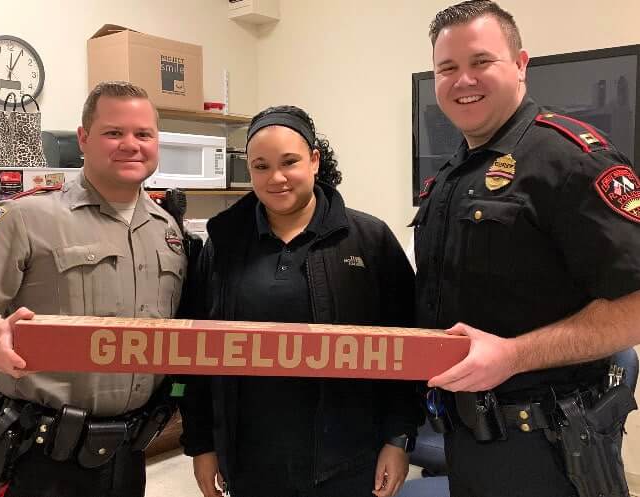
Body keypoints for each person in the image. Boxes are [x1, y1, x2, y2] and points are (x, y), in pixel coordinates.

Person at [413, 1, 640, 496]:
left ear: (520, 65)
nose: (462, 80)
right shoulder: (453, 174)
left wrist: (514, 355)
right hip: (468, 438)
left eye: (481, 62)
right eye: (447, 68)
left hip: (549, 448)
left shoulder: (572, 160)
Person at [177, 105, 419, 497]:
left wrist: (398, 438)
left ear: (314, 160)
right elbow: (197, 353)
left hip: (349, 459)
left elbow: (404, 349)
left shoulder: (369, 240)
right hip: (251, 459)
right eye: (261, 166)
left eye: (289, 162)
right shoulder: (223, 246)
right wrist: (201, 445)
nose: (276, 178)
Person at [0, 81, 187, 497]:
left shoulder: (168, 230)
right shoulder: (26, 218)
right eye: (113, 133)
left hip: (129, 451)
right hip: (41, 456)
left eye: (143, 134)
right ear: (84, 138)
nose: (131, 145)